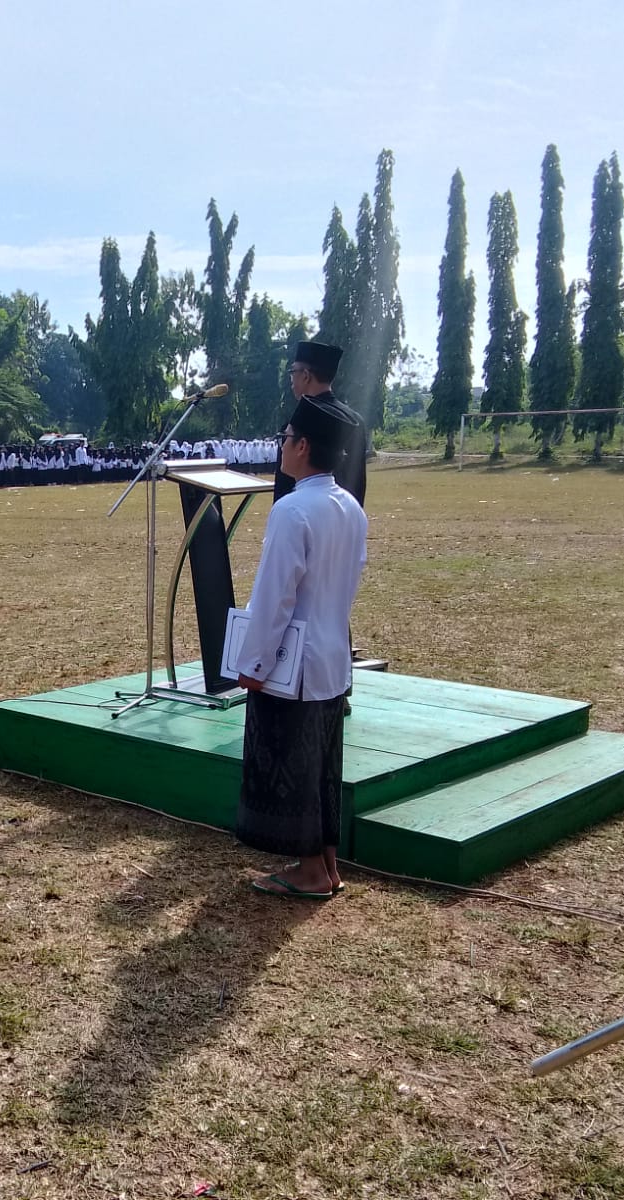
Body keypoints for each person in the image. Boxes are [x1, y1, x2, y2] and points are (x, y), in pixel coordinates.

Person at [231, 392, 368, 900]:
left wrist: (254, 661)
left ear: (304, 445)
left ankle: (311, 870)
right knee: (323, 763)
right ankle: (326, 864)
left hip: (295, 665)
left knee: (294, 762)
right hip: (331, 657)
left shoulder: (292, 509)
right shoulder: (350, 507)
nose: (281, 447)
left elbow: (276, 595)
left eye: (285, 438)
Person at [272, 341, 367, 507]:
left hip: (302, 515)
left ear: (305, 375)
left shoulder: (297, 425)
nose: (291, 379)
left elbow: (284, 491)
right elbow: (358, 484)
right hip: (347, 513)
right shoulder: (356, 421)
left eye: (293, 372)